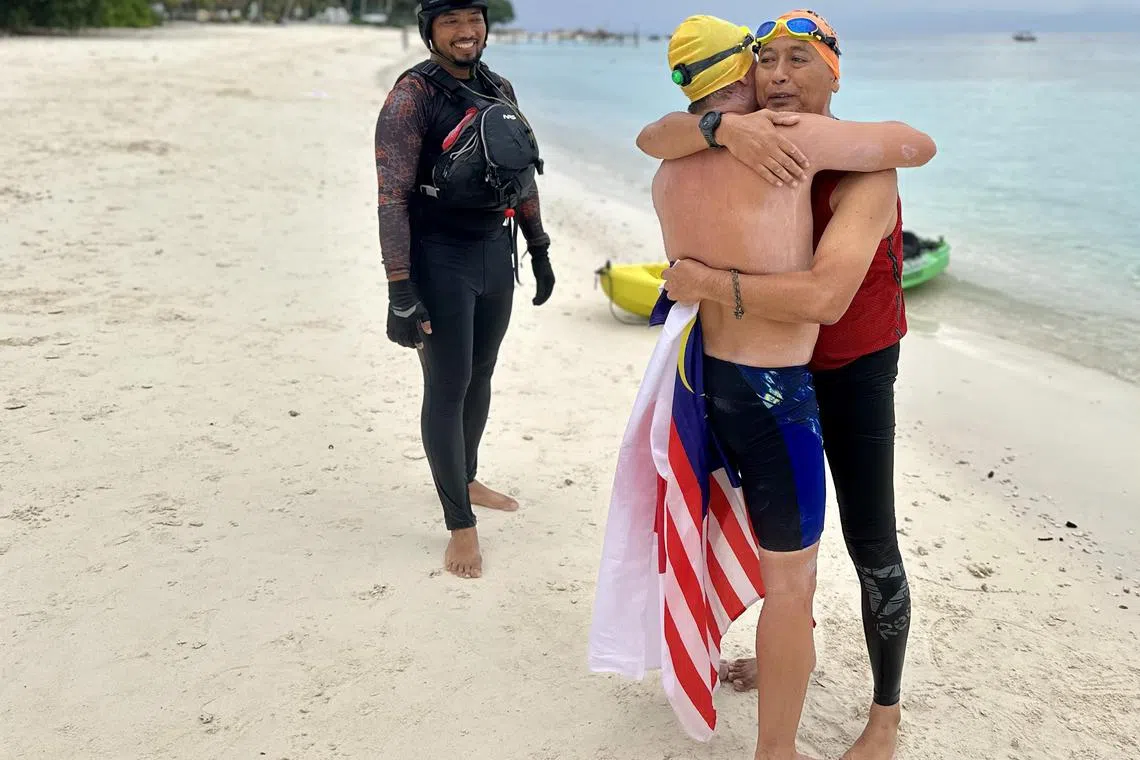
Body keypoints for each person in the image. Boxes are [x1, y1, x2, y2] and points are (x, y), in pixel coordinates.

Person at [638, 10, 928, 760]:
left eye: (799, 59)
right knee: (790, 539)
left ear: (834, 73)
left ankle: (885, 717)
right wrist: (721, 129)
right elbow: (658, 133)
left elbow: (828, 295)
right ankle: (787, 656)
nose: (778, 75)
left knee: (870, 541)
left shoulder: (861, 165)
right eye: (766, 59)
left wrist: (707, 282)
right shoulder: (742, 141)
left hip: (854, 366)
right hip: (777, 373)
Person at [374, 0, 556, 580]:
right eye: (450, 21)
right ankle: (460, 524)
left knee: (481, 373)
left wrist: (539, 247)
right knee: (447, 385)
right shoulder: (412, 96)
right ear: (430, 32)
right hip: (439, 257)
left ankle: (467, 477)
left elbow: (520, 174)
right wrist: (400, 288)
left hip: (494, 250)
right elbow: (391, 199)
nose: (466, 31)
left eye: (473, 18)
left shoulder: (499, 87)